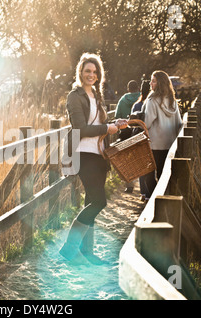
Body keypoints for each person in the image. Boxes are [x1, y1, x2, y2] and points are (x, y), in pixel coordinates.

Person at [59, 53, 127, 265]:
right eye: (87, 71)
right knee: (99, 201)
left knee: (91, 201)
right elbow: (81, 128)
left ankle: (87, 252)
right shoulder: (74, 96)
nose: (91, 75)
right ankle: (68, 248)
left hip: (99, 155)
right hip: (82, 154)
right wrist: (107, 127)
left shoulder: (97, 95)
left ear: (99, 75)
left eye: (95, 72)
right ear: (80, 72)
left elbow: (98, 123)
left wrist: (116, 123)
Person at [142, 71, 182, 200]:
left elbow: (147, 123)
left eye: (153, 81)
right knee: (164, 174)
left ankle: (156, 199)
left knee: (148, 174)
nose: (150, 84)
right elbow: (179, 123)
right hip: (170, 143)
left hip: (155, 144)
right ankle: (163, 200)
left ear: (159, 83)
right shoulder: (172, 101)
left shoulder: (152, 101)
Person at [115, 80, 141, 193]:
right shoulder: (143, 98)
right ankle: (143, 183)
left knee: (127, 158)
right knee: (140, 156)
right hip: (138, 131)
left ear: (128, 89)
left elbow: (117, 116)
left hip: (125, 132)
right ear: (138, 88)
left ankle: (129, 184)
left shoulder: (123, 100)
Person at [130, 80, 151, 201]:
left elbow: (132, 122)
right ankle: (148, 192)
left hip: (137, 137)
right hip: (149, 137)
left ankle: (143, 192)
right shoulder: (151, 104)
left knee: (141, 165)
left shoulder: (137, 105)